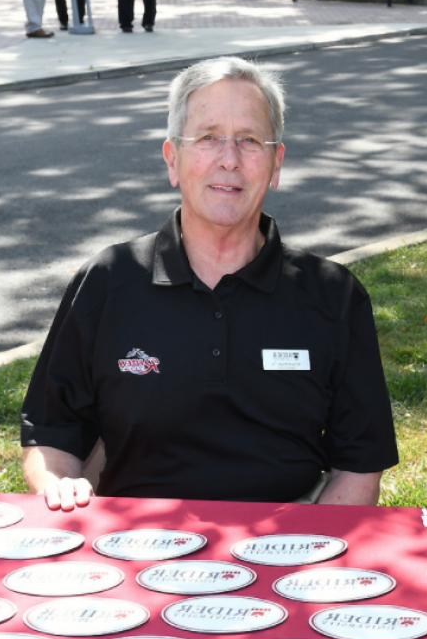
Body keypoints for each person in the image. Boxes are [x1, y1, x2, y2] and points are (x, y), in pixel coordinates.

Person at [21, 56, 399, 511]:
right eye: (207, 138)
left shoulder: (333, 295)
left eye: (250, 140)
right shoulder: (108, 281)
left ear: (276, 163)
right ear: (172, 160)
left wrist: (308, 557)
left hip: (288, 545)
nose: (229, 159)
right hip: (134, 543)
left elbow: (358, 469)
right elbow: (51, 435)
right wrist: (59, 484)